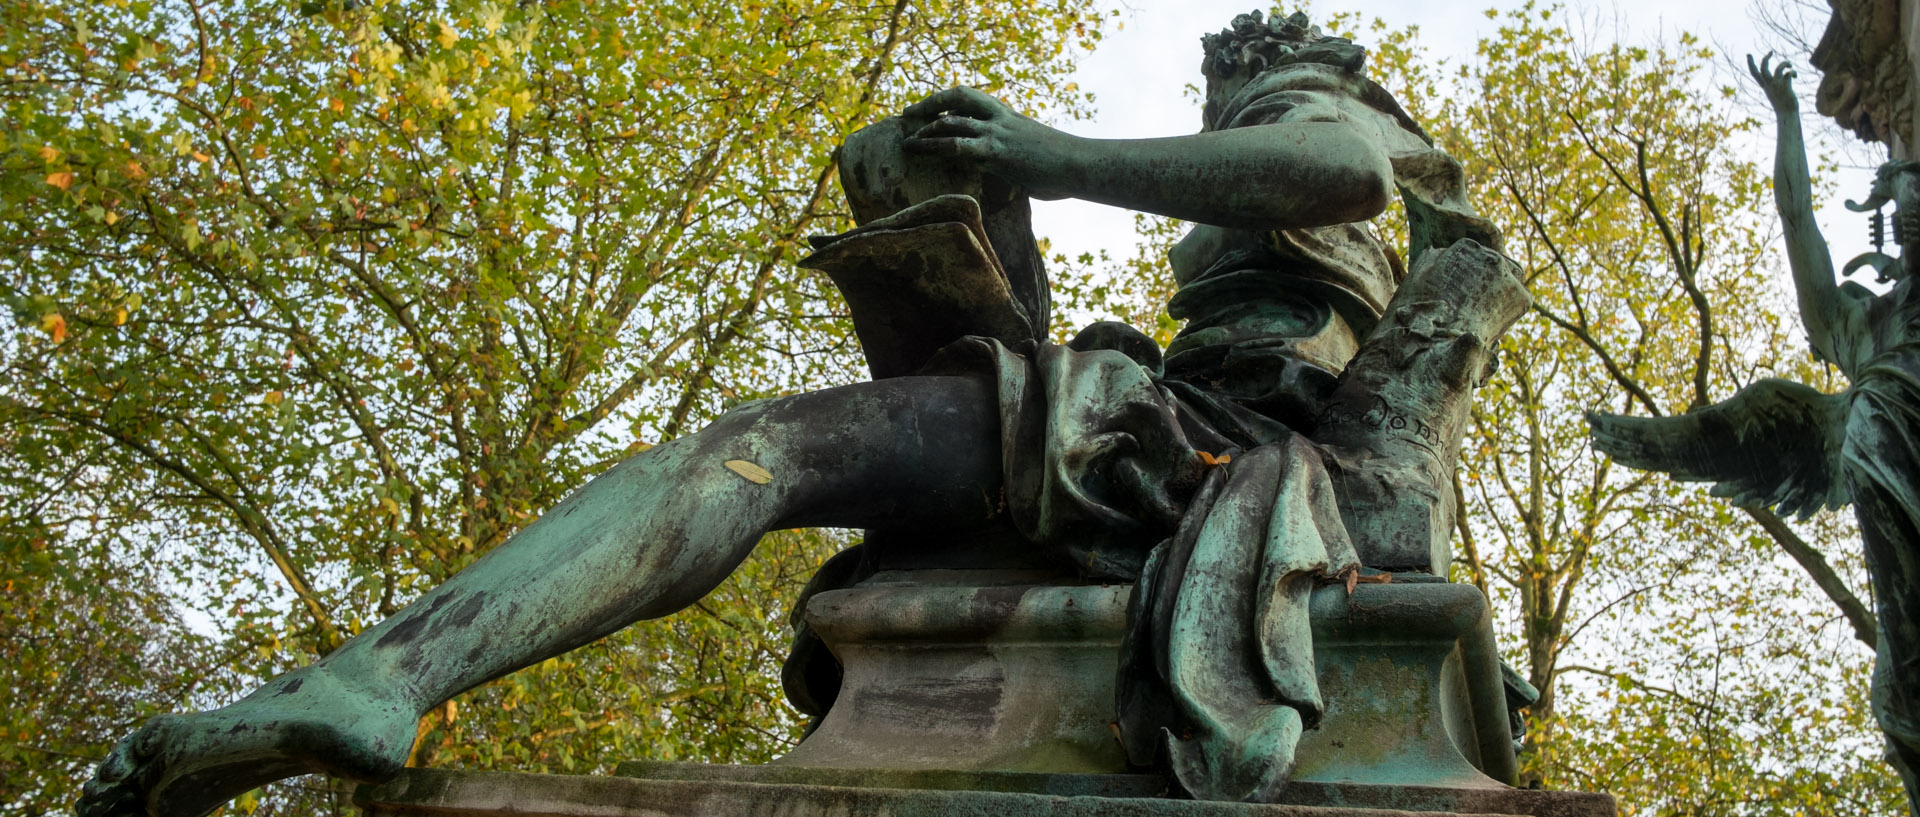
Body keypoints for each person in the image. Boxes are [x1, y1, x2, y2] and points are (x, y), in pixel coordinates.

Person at [80, 12, 1504, 815]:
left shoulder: (1345, 115)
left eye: (1233, 88)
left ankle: (381, 680)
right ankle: (377, 682)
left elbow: (1334, 174)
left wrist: (1049, 156)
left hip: (1217, 452)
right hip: (1151, 434)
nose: (1226, 106)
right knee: (764, 449)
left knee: (763, 451)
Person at [1589, 55, 1920, 814]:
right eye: (1903, 209)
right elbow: (1798, 216)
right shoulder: (1858, 326)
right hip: (1892, 482)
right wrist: (1788, 118)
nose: (1910, 218)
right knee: (1905, 684)